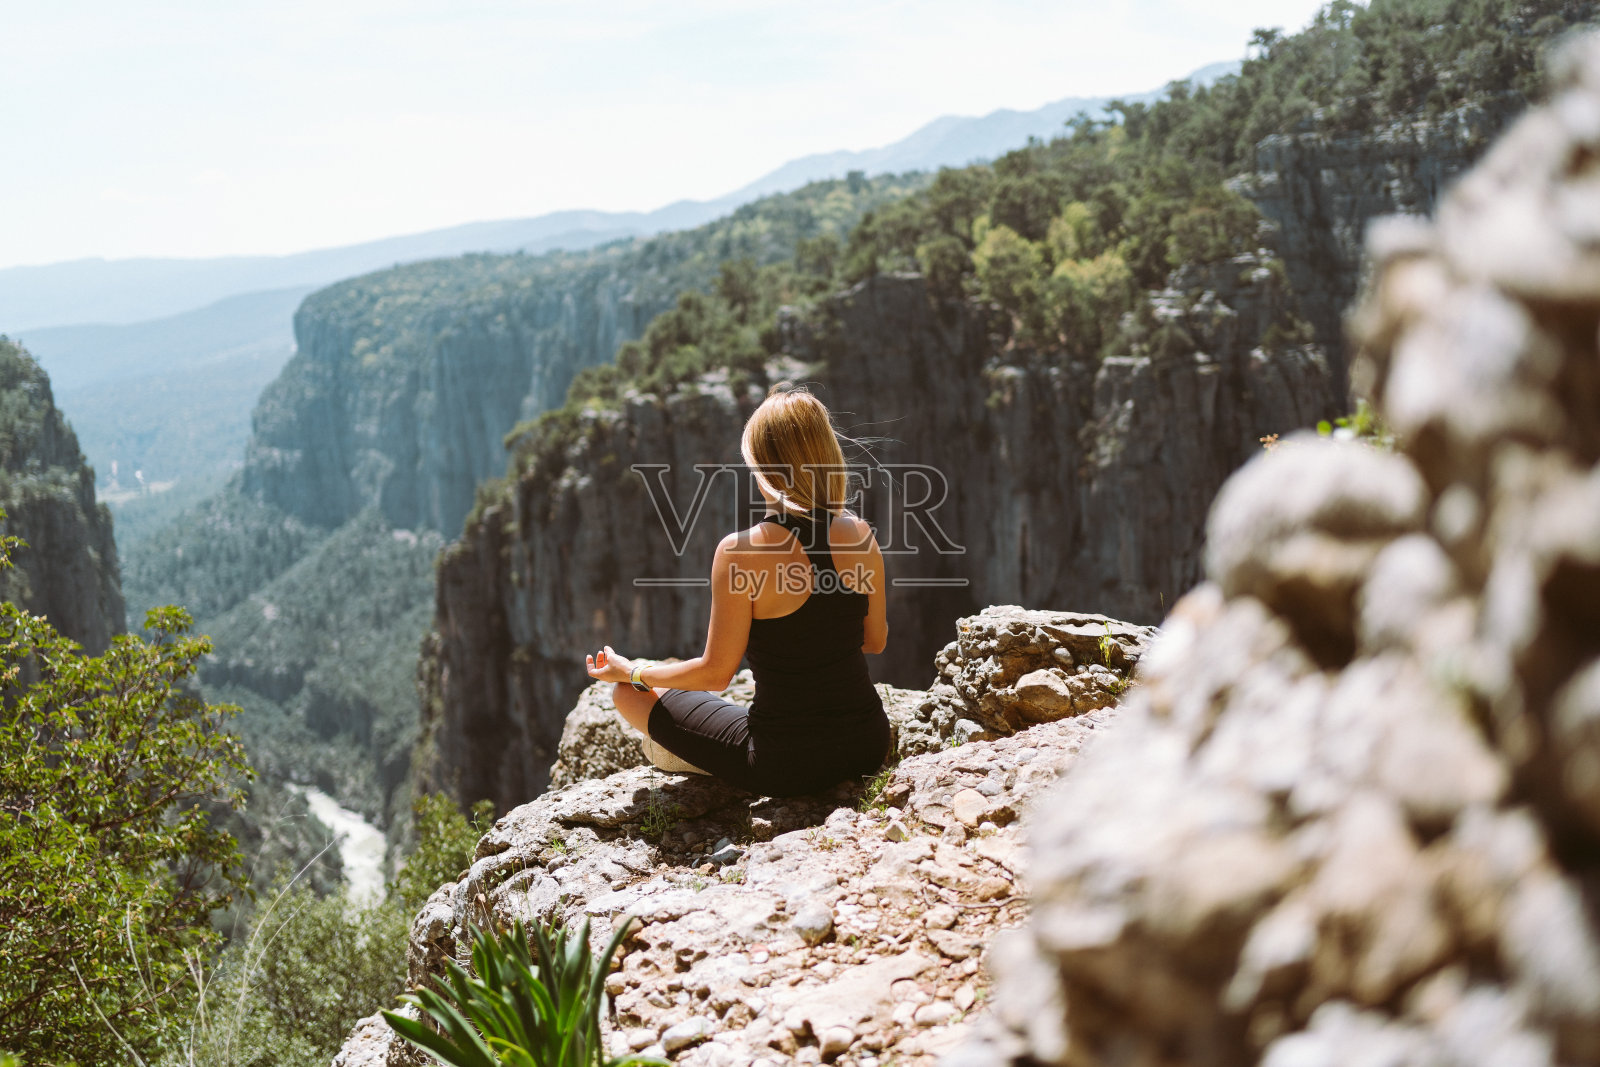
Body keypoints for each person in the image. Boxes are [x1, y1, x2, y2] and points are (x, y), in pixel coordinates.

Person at [584, 383, 891, 797]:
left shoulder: (739, 551)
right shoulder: (860, 536)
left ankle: (696, 761)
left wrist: (633, 671)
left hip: (786, 762)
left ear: (761, 467)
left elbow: (716, 674)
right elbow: (875, 641)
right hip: (868, 745)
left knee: (629, 695)